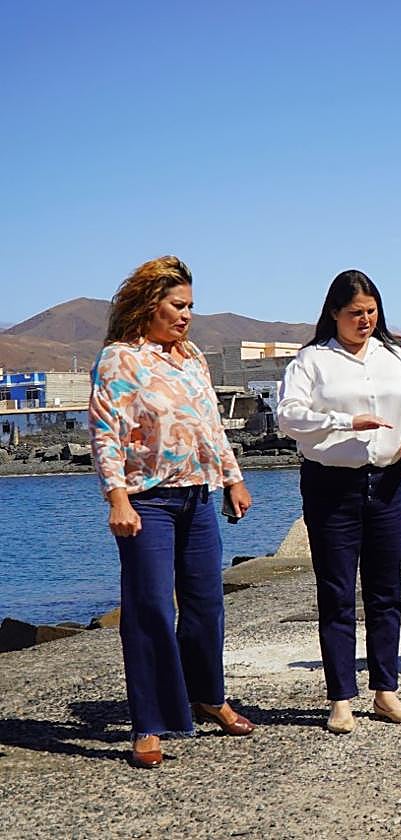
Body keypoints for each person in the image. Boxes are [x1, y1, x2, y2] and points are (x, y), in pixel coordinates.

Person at [89, 256, 256, 769]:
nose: (186, 316)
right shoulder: (119, 359)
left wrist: (232, 477)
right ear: (148, 304)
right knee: (151, 610)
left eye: (190, 307)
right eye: (177, 306)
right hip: (147, 502)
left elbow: (209, 424)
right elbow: (104, 431)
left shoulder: (192, 357)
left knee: (206, 604)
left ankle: (208, 695)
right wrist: (116, 496)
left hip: (198, 497)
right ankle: (149, 723)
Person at [277, 270, 401, 734]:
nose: (365, 321)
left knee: (386, 593)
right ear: (333, 314)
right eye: (354, 314)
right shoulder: (312, 361)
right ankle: (341, 697)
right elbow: (288, 417)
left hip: (388, 485)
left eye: (371, 312)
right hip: (332, 488)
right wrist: (347, 422)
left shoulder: (395, 357)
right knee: (338, 594)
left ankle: (386, 691)